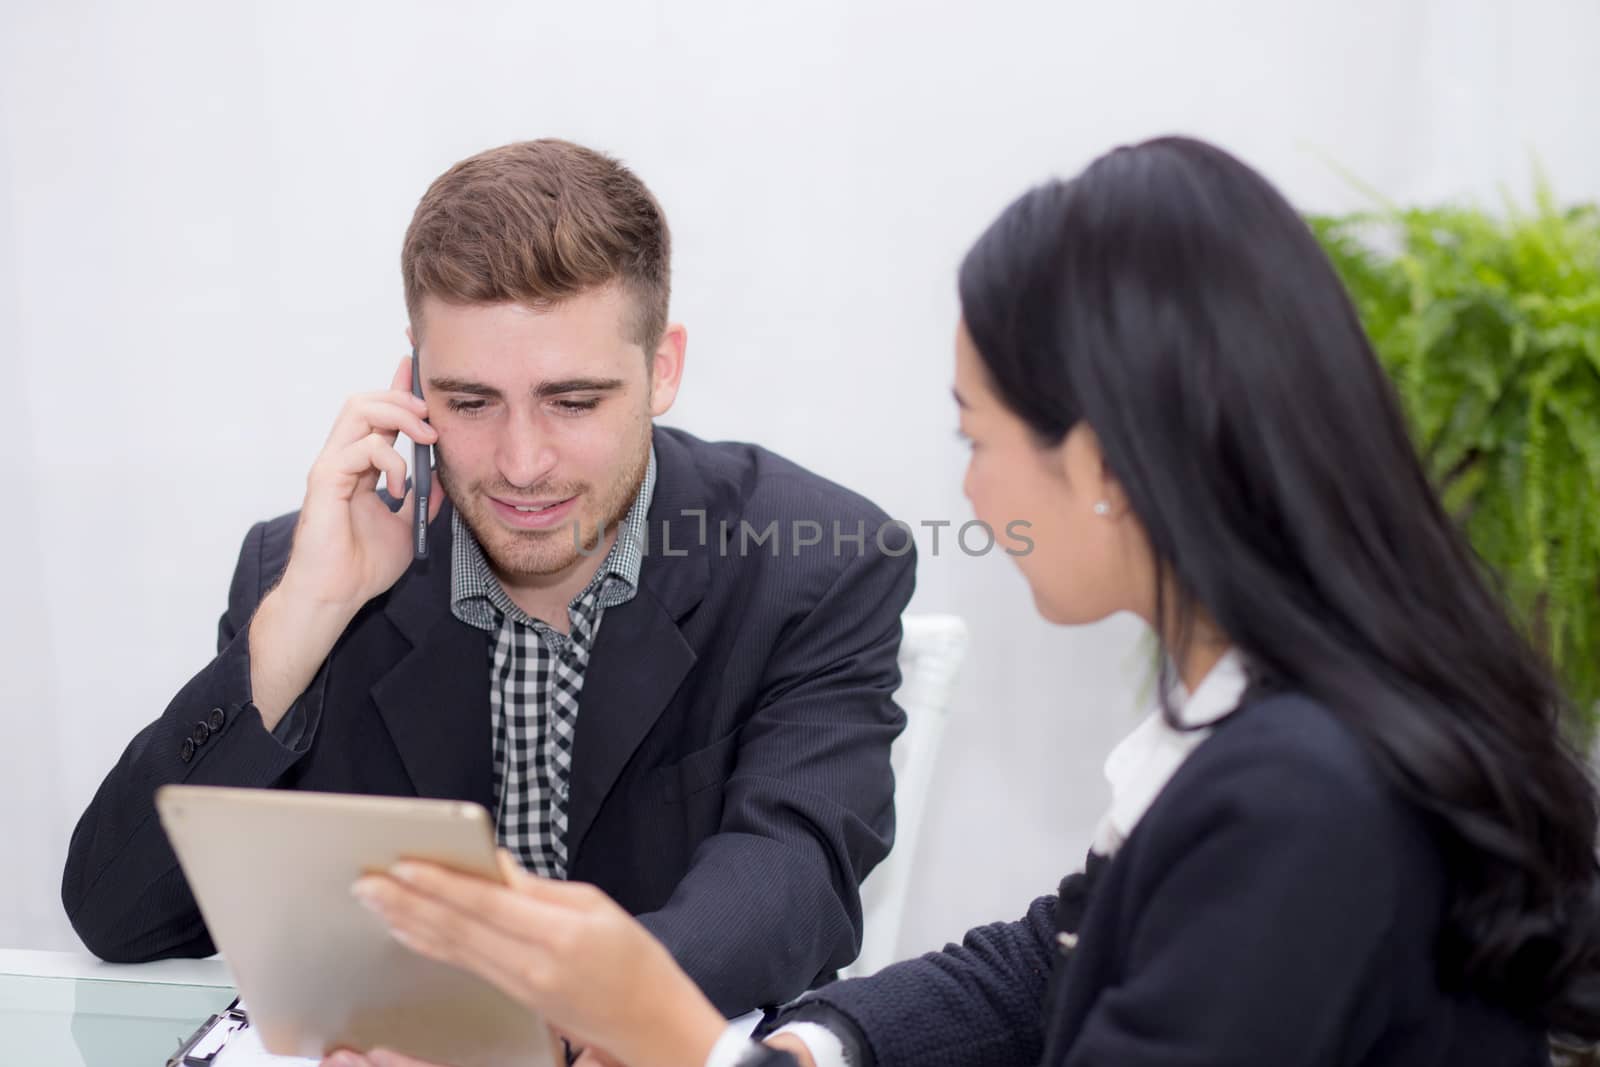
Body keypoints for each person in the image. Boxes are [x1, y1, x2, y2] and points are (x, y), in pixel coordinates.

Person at [331, 136, 1600, 1067]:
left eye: (975, 436)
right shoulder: (1276, 731)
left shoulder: (1298, 798)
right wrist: (795, 1053)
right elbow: (1051, 959)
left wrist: (671, 1032)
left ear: (1099, 464)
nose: (972, 495)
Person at [61, 139, 917, 1017]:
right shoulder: (304, 574)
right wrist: (307, 615)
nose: (521, 462)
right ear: (414, 378)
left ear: (663, 367)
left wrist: (547, 1023)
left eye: (573, 401)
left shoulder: (818, 562)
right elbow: (118, 914)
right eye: (469, 402)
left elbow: (791, 884)